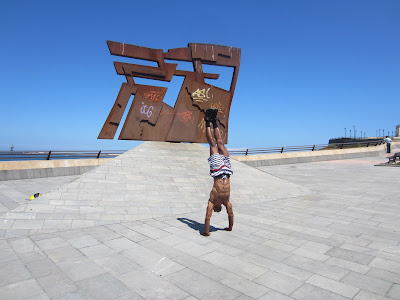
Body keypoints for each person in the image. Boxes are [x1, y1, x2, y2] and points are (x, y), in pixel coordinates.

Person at [201, 108, 234, 236]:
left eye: (215, 210)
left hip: (220, 170)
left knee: (214, 144)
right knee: (218, 143)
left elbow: (208, 218)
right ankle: (214, 121)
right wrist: (229, 228)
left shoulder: (213, 200)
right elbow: (230, 214)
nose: (215, 210)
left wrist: (207, 232)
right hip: (225, 170)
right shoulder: (226, 201)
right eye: (216, 210)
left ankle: (208, 121)